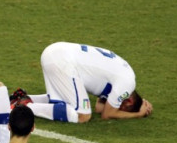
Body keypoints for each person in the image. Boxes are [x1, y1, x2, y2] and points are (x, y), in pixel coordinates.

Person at [10, 42, 152, 123]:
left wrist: (140, 105)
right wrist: (137, 114)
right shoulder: (126, 84)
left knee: (65, 101)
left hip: (57, 52)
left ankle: (18, 98)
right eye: (123, 109)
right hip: (64, 62)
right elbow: (107, 114)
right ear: (128, 102)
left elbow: (100, 108)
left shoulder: (124, 77)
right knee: (82, 115)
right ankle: (22, 107)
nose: (119, 110)